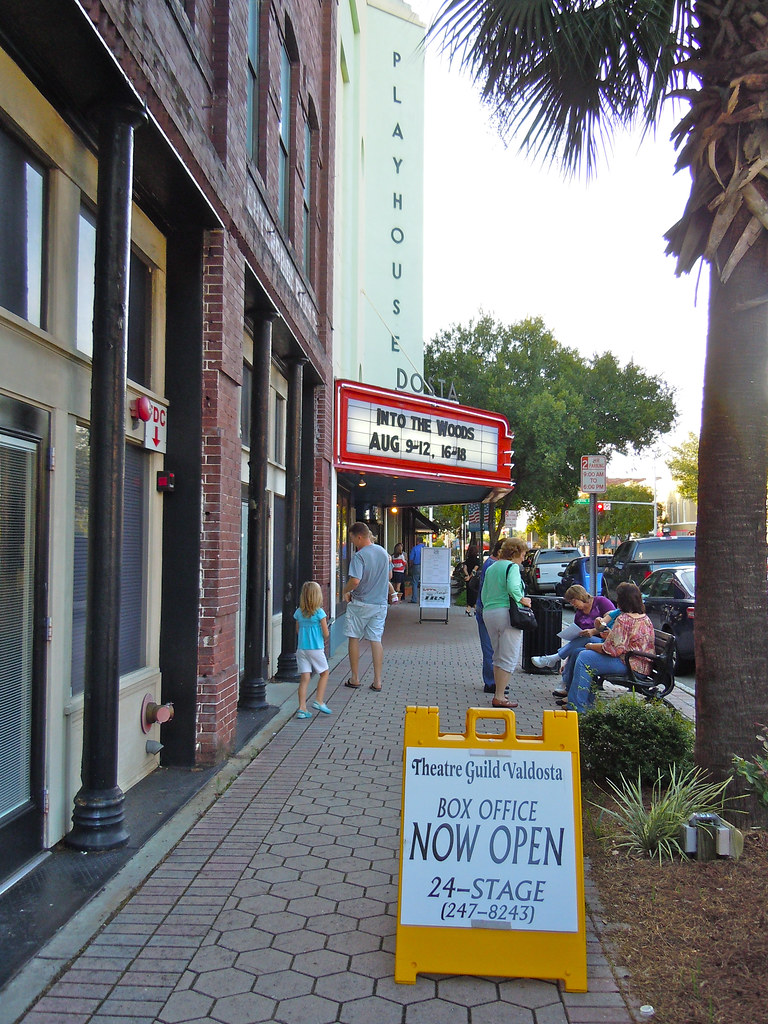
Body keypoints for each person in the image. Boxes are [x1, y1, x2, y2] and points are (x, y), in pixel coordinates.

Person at [559, 582, 655, 713]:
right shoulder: (644, 618)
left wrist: (591, 646)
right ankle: (584, 701)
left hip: (631, 664)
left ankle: (578, 706)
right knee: (578, 652)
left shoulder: (624, 619)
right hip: (639, 662)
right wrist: (610, 635)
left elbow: (611, 650)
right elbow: (625, 642)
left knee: (585, 657)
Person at [531, 585, 616, 697]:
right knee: (577, 649)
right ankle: (565, 682)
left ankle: (555, 660)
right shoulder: (579, 614)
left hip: (605, 641)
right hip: (586, 644)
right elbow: (575, 641)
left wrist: (593, 631)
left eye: (573, 601)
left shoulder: (601, 602)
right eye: (570, 602)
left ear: (580, 596)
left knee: (586, 638)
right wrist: (566, 662)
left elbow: (612, 622)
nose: (572, 604)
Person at [478, 536, 532, 709]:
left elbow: (484, 593)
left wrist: (489, 606)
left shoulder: (492, 567)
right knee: (508, 656)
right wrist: (522, 600)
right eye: (523, 554)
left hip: (490, 613)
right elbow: (513, 587)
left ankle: (498, 692)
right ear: (516, 552)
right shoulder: (512, 567)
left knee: (497, 655)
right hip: (506, 613)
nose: (524, 557)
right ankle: (500, 696)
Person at [343, 522, 396, 692]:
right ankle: (377, 681)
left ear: (359, 537)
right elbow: (389, 575)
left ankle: (355, 678)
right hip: (380, 604)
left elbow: (355, 581)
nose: (352, 542)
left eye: (352, 538)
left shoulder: (359, 556)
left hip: (360, 603)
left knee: (353, 637)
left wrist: (345, 590)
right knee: (376, 639)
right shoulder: (383, 552)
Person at [294, 581, 331, 719]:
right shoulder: (319, 613)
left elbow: (297, 630)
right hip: (315, 648)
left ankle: (302, 708)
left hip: (302, 649)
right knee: (324, 673)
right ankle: (319, 700)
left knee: (304, 678)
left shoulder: (298, 612)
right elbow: (326, 633)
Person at [476, 539, 503, 692]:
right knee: (490, 649)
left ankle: (494, 681)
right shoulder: (493, 565)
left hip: (485, 609)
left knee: (491, 648)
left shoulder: (490, 563)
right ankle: (491, 682)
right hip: (488, 609)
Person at [409, 538, 426, 603]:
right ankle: (424, 599)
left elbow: (411, 559)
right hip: (425, 566)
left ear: (418, 541)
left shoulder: (415, 548)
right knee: (424, 582)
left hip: (416, 566)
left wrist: (410, 566)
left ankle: (414, 599)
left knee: (415, 582)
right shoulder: (426, 548)